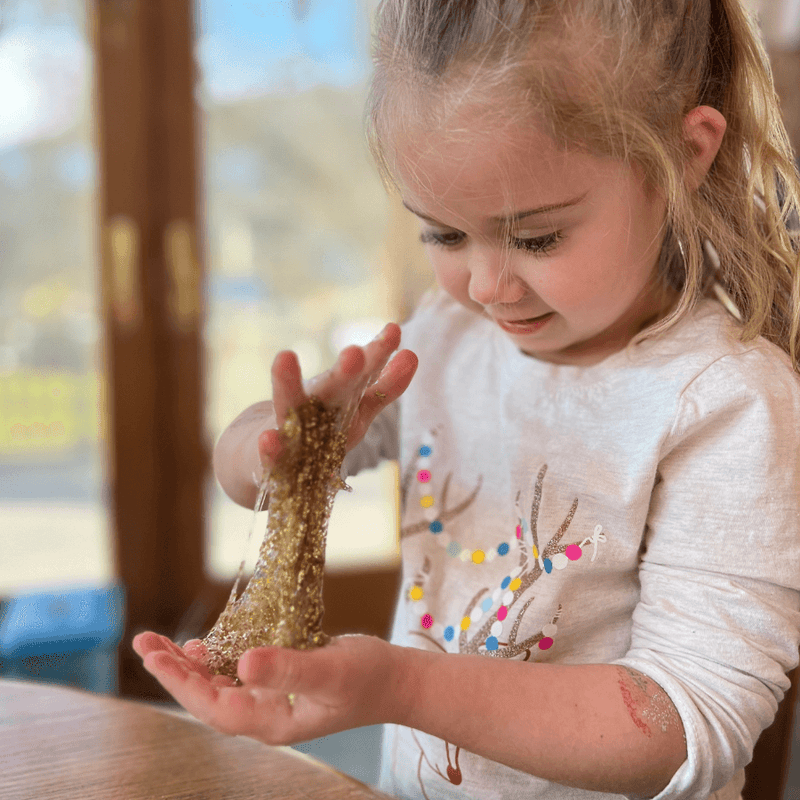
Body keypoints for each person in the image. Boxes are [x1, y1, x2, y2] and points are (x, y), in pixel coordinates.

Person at [133, 0, 800, 797]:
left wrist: (403, 687)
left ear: (684, 156)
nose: (484, 285)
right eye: (444, 234)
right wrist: (271, 446)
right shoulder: (445, 335)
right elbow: (250, 476)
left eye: (537, 237)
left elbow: (688, 723)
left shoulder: (725, 401)